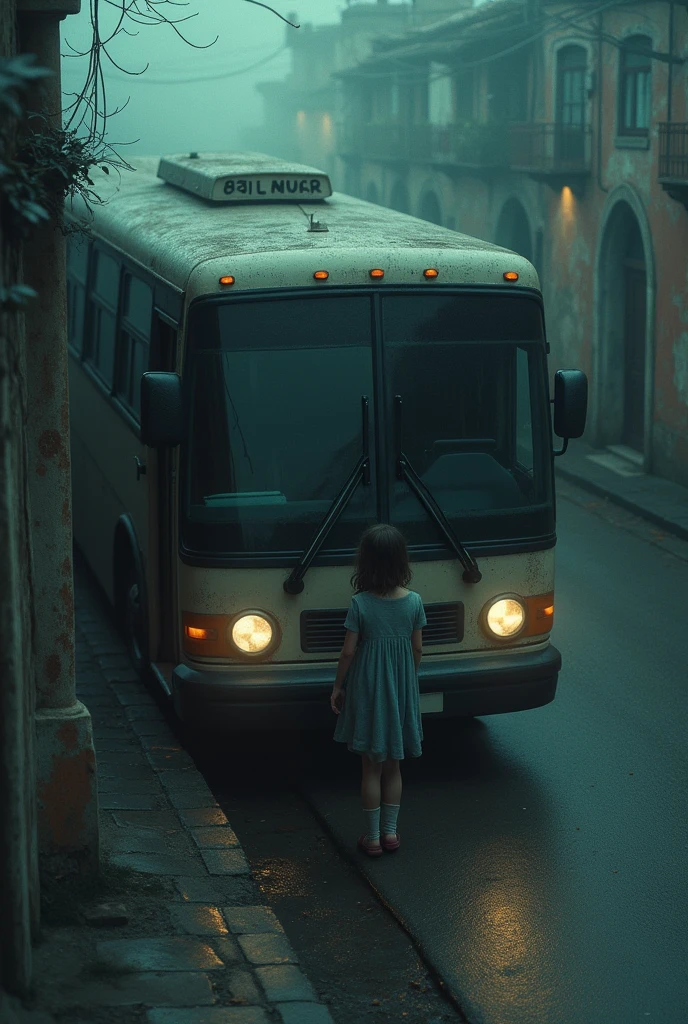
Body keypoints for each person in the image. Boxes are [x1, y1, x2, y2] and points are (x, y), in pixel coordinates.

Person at [331, 523, 426, 857]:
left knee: (370, 766)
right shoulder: (414, 602)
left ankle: (371, 839)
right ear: (402, 561)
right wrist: (407, 680)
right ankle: (390, 834)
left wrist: (338, 686)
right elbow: (417, 649)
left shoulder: (360, 604)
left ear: (365, 563)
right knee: (394, 766)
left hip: (368, 688)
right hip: (400, 688)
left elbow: (348, 651)